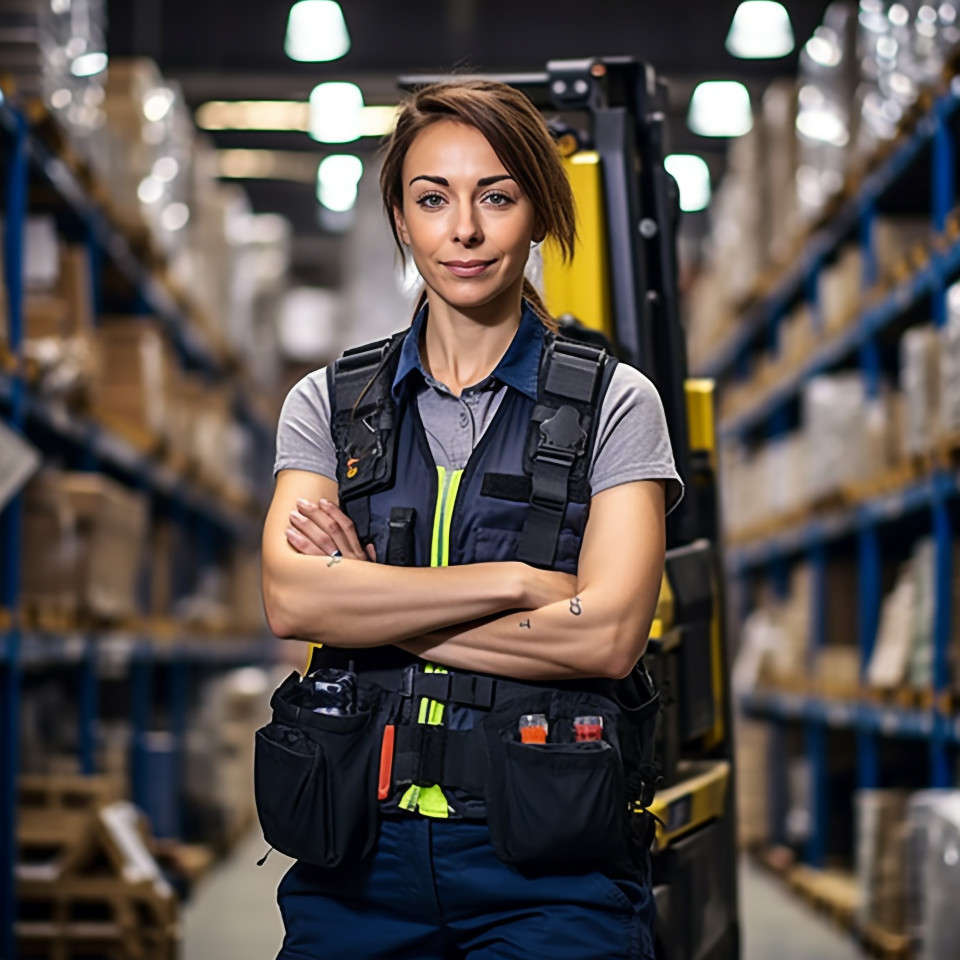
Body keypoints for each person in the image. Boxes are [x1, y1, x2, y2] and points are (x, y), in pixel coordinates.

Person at [261, 78, 683, 960]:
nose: (464, 230)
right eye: (431, 199)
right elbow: (295, 603)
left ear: (535, 211)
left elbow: (607, 637)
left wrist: (373, 608)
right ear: (401, 220)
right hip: (356, 870)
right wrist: (518, 585)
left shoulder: (616, 403)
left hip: (553, 880)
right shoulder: (329, 406)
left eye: (496, 195)